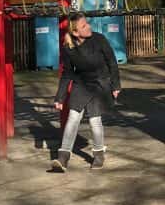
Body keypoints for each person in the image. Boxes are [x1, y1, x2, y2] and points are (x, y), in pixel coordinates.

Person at [52, 12, 121, 171]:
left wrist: (116, 85)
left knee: (94, 121)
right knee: (73, 118)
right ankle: (63, 157)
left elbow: (112, 62)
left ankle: (98, 154)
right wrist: (59, 97)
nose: (88, 26)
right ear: (76, 32)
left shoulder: (99, 39)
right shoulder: (69, 47)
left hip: (100, 84)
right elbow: (67, 73)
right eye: (84, 26)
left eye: (87, 23)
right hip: (81, 83)